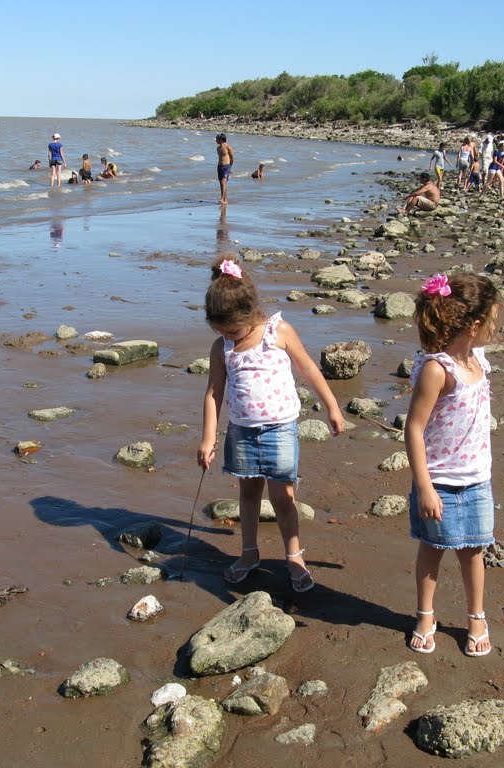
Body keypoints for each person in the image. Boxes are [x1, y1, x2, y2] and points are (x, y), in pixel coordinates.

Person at [198, 257, 344, 591]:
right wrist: (208, 438)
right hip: (242, 431)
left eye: (232, 330)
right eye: (220, 331)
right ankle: (249, 553)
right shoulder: (221, 348)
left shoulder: (278, 332)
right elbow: (213, 393)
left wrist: (332, 406)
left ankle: (294, 556)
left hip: (280, 429)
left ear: (249, 313)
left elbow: (309, 369)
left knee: (283, 498)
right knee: (248, 495)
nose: (227, 336)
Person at [404, 272, 500, 656]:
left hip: (477, 478)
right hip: (439, 480)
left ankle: (476, 616)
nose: (497, 327)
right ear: (474, 327)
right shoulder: (437, 369)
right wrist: (424, 486)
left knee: (474, 550)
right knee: (432, 548)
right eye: (493, 321)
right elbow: (413, 428)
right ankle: (425, 614)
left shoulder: (478, 358)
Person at [216, 133, 234, 205]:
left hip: (226, 166)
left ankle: (222, 199)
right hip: (219, 166)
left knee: (223, 182)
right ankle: (224, 199)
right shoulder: (218, 148)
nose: (216, 140)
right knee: (221, 183)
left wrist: (230, 167)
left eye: (217, 139)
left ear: (221, 139)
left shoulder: (228, 147)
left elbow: (232, 158)